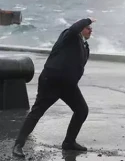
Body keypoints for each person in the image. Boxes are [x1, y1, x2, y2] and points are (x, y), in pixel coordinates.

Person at [13, 17, 96, 158]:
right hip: (51, 82)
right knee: (37, 112)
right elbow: (73, 28)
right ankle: (18, 145)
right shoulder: (69, 35)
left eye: (91, 28)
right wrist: (88, 19)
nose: (90, 30)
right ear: (81, 28)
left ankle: (69, 142)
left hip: (68, 85)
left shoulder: (84, 45)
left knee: (82, 110)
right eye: (88, 27)